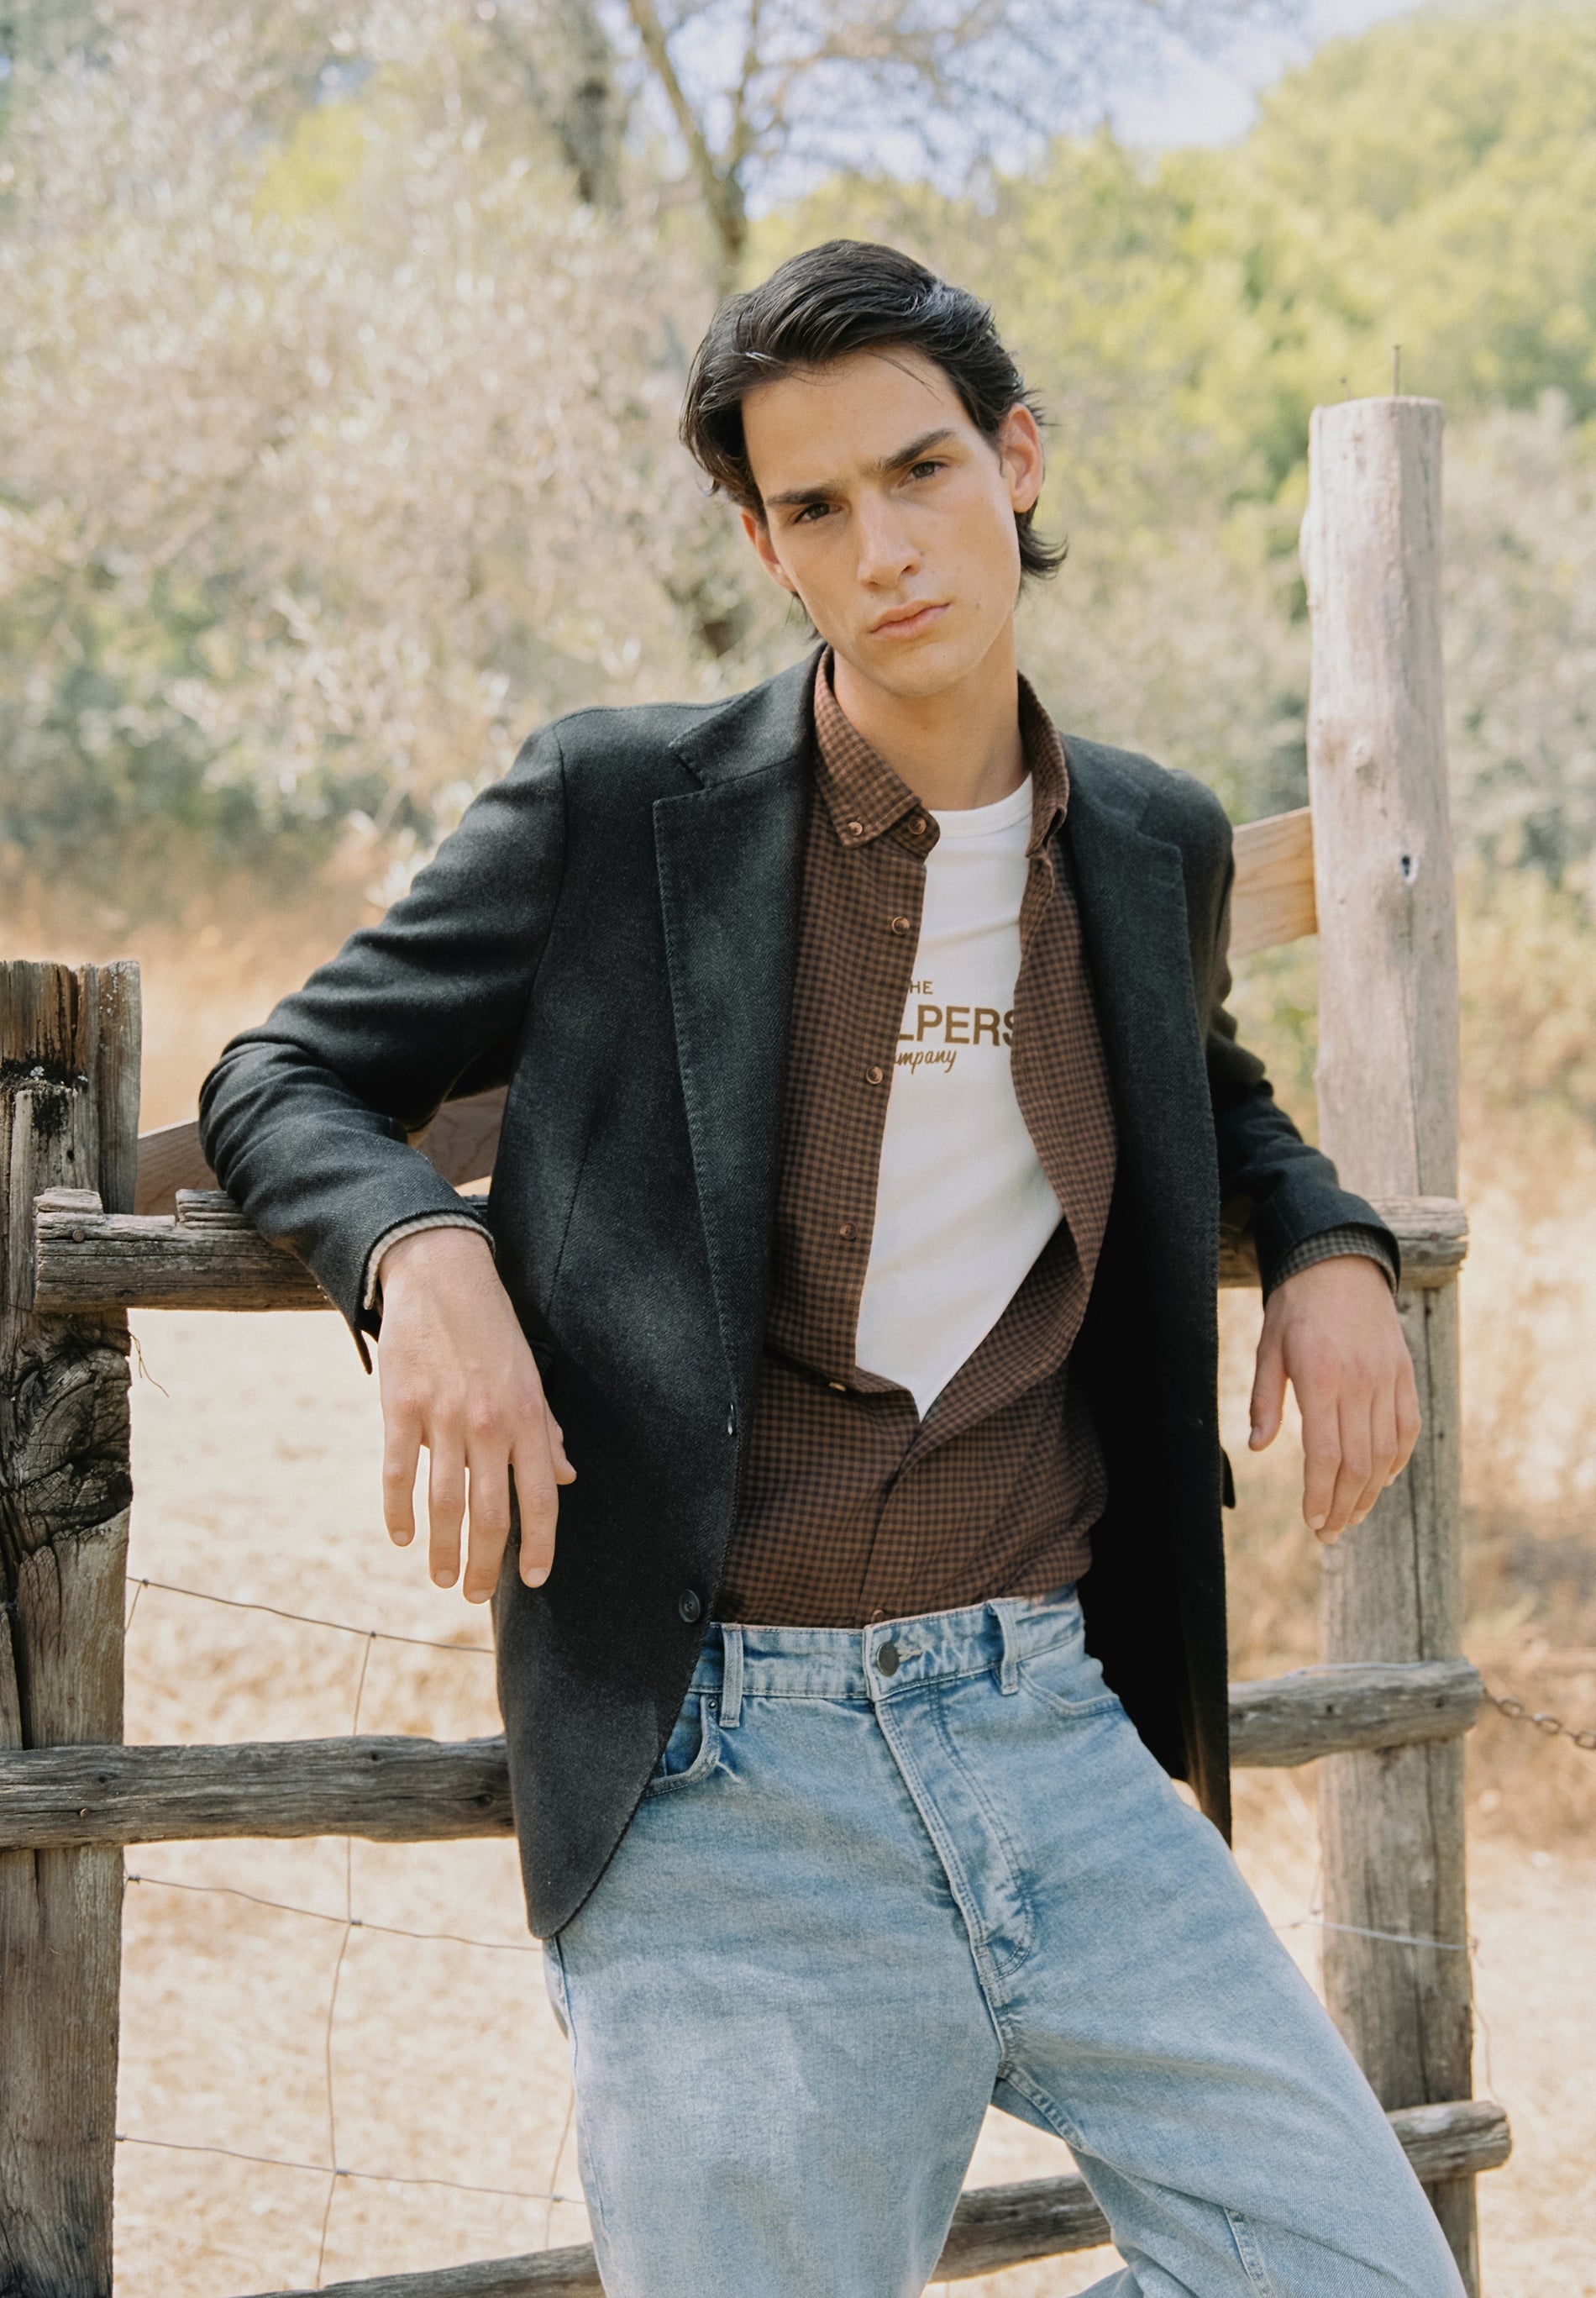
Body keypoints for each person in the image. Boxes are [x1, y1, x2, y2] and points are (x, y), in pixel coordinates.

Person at [200, 240, 1462, 2298]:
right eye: (813, 507)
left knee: (1357, 2275)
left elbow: (1201, 1088)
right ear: (761, 545)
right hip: (717, 1767)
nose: (882, 548)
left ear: (1015, 461)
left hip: (1052, 1722)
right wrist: (419, 1249)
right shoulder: (618, 808)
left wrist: (1323, 1239)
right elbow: (282, 1074)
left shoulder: (1145, 844)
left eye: (920, 471)